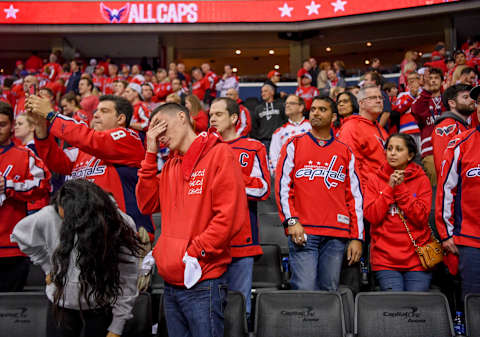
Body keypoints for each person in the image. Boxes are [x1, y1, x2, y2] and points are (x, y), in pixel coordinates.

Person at [136, 103, 247, 337]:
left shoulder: (219, 154)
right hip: (170, 283)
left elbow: (229, 217)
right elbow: (146, 204)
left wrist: (194, 252)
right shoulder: (171, 165)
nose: (159, 137)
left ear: (181, 117)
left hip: (203, 282)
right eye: (154, 132)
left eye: (161, 128)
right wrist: (150, 153)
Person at [11, 179, 142, 337]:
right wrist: (48, 267)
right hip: (61, 304)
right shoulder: (50, 215)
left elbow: (128, 277)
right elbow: (21, 236)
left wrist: (116, 327)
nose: (63, 220)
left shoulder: (119, 223)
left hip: (101, 305)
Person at [27, 94, 155, 239]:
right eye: (96, 112)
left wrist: (51, 115)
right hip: (89, 232)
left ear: (121, 118)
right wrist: (41, 127)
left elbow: (91, 139)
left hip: (126, 234)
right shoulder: (84, 150)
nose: (96, 115)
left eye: (104, 111)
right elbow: (56, 162)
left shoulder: (129, 137)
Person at [275, 96, 363, 291]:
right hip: (304, 231)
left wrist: (356, 237)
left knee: (329, 292)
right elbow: (283, 187)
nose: (315, 113)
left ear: (333, 117)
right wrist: (291, 221)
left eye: (322, 110)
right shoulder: (294, 144)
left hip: (336, 233)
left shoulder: (345, 151)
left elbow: (354, 198)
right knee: (305, 290)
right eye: (313, 109)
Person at [209, 97, 270, 320]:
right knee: (211, 304)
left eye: (218, 114)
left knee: (239, 305)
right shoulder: (204, 149)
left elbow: (263, 189)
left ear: (234, 118)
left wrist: (229, 182)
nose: (212, 119)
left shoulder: (253, 147)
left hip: (242, 237)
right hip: (210, 240)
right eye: (211, 114)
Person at [364, 133, 433, 291]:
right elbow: (372, 216)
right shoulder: (374, 179)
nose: (392, 153)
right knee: (395, 306)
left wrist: (401, 189)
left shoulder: (422, 179)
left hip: (418, 259)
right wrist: (389, 188)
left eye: (398, 149)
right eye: (389, 149)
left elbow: (421, 218)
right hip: (385, 259)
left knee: (415, 307)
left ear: (410, 155)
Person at [0, 101, 51, 292]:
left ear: (12, 126)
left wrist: (9, 185)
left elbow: (43, 184)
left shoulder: (25, 155)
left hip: (12, 248)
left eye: (2, 125)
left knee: (12, 313)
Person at [436, 126, 480, 298]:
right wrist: (446, 234)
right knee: (475, 303)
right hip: (471, 240)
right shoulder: (460, 144)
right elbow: (446, 190)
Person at [338, 84, 388, 192]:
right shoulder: (351, 127)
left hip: (383, 193)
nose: (379, 101)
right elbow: (349, 168)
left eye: (380, 97)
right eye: (373, 98)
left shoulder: (381, 130)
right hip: (367, 195)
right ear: (361, 103)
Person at [411, 67, 446, 186]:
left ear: (442, 81)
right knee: (436, 187)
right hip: (429, 150)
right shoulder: (421, 100)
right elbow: (416, 110)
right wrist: (426, 90)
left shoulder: (449, 100)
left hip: (450, 147)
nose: (433, 81)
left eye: (436, 78)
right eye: (430, 78)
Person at [432, 84, 475, 175]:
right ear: (452, 103)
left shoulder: (463, 125)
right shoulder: (447, 126)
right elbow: (443, 165)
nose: (472, 100)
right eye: (465, 97)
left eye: (471, 97)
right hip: (457, 187)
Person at [269, 94, 311, 176]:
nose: (287, 106)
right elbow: (274, 157)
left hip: (310, 173)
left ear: (301, 107)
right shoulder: (279, 132)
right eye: (286, 104)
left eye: (291, 103)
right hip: (287, 178)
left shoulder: (312, 127)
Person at [251, 83, 286, 149]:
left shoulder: (281, 106)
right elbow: (254, 126)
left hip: (280, 140)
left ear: (272, 92)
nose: (263, 94)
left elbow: (286, 121)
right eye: (262, 92)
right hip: (264, 141)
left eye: (265, 91)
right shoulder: (258, 109)